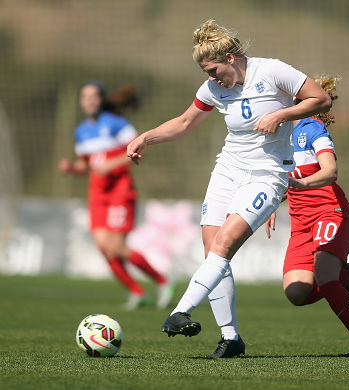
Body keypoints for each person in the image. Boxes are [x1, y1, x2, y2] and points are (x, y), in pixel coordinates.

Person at [126, 19, 332, 358]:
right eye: (206, 72)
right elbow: (183, 123)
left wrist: (282, 115)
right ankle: (231, 337)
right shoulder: (212, 89)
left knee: (224, 243)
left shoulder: (273, 71)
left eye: (213, 69)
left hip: (268, 175)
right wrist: (145, 137)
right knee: (213, 250)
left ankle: (181, 311)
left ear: (230, 57)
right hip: (228, 170)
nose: (211, 77)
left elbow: (320, 99)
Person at [265, 75, 349, 357]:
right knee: (296, 293)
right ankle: (345, 279)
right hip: (301, 223)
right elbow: (289, 180)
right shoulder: (280, 133)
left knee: (324, 277)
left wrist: (302, 184)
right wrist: (272, 203)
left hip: (328, 212)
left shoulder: (311, 127)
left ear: (295, 100)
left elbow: (330, 171)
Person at [59, 80, 174, 310]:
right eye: (85, 97)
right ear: (82, 102)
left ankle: (163, 281)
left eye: (94, 96)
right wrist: (72, 168)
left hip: (120, 193)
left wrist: (113, 163)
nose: (90, 101)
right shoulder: (81, 132)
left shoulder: (116, 124)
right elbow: (85, 164)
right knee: (104, 247)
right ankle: (137, 292)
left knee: (117, 247)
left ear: (101, 99)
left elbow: (136, 152)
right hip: (97, 196)